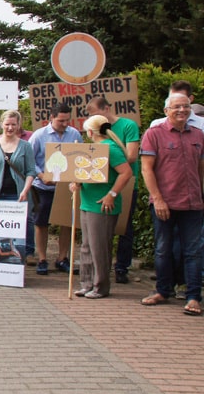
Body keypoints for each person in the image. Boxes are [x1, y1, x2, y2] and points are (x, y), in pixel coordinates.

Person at [139, 93, 204, 316]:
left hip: (193, 203)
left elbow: (201, 169)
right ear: (166, 110)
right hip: (164, 202)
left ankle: (193, 297)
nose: (182, 110)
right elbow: (146, 169)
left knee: (193, 251)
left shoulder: (198, 135)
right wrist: (157, 198)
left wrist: (201, 195)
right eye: (176, 107)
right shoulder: (154, 134)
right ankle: (162, 291)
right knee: (163, 249)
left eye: (185, 106)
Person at [69, 115, 132, 299]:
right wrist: (77, 182)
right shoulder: (95, 149)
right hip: (88, 202)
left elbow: (126, 172)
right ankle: (87, 283)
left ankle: (100, 286)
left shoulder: (110, 148)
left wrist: (111, 194)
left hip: (102, 205)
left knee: (99, 247)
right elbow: (88, 173)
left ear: (90, 132)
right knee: (87, 246)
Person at [84, 96, 140, 284]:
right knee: (94, 240)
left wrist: (105, 160)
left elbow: (130, 158)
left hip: (120, 186)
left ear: (106, 109)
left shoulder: (126, 127)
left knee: (121, 230)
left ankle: (120, 268)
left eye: (95, 114)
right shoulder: (99, 144)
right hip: (98, 191)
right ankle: (91, 279)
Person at [29, 102, 82, 275]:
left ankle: (62, 258)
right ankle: (42, 259)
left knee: (67, 222)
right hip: (43, 187)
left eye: (67, 120)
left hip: (66, 187)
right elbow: (29, 159)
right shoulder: (39, 135)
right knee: (41, 222)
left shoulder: (74, 134)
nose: (65, 124)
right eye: (61, 121)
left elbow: (80, 156)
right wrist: (41, 175)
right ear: (51, 118)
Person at [0, 110, 37, 261]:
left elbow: (31, 171)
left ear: (18, 125)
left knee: (22, 224)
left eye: (13, 124)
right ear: (2, 125)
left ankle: (26, 254)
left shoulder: (25, 146)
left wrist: (25, 190)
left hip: (17, 194)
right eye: (7, 124)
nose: (10, 128)